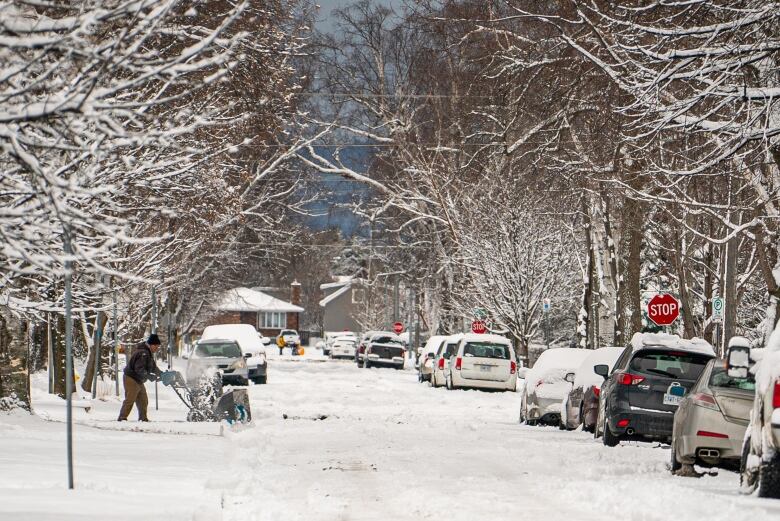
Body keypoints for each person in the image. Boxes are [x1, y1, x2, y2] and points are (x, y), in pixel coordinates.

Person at [118, 333, 162, 422]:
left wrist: (161, 374)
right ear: (151, 345)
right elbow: (140, 369)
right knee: (130, 399)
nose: (157, 349)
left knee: (143, 399)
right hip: (131, 378)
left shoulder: (147, 352)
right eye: (156, 347)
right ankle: (122, 418)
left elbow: (153, 367)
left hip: (138, 379)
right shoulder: (143, 353)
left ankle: (143, 418)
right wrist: (150, 377)